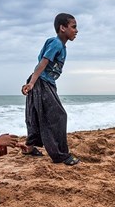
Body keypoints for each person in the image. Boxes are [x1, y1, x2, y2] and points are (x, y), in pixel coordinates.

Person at [21, 13, 80, 166]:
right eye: (73, 27)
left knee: (35, 115)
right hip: (41, 82)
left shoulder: (59, 45)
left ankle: (29, 147)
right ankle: (60, 155)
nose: (76, 30)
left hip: (44, 82)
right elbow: (43, 63)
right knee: (58, 116)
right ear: (62, 28)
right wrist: (33, 83)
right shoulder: (56, 43)